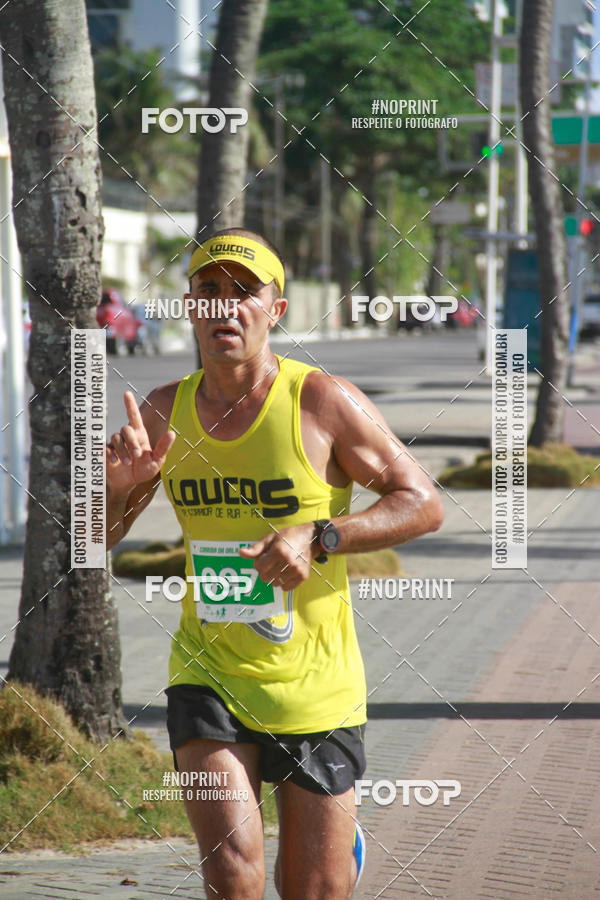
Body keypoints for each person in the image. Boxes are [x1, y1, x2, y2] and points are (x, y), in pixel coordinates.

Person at [106, 227, 444, 899]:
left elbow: (423, 504)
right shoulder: (165, 411)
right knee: (232, 873)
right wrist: (114, 496)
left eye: (245, 292)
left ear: (276, 309)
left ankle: (340, 849)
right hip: (208, 674)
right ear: (190, 307)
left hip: (315, 684)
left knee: (314, 889)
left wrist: (321, 535)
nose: (225, 306)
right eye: (208, 291)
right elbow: (96, 540)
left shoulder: (320, 401)